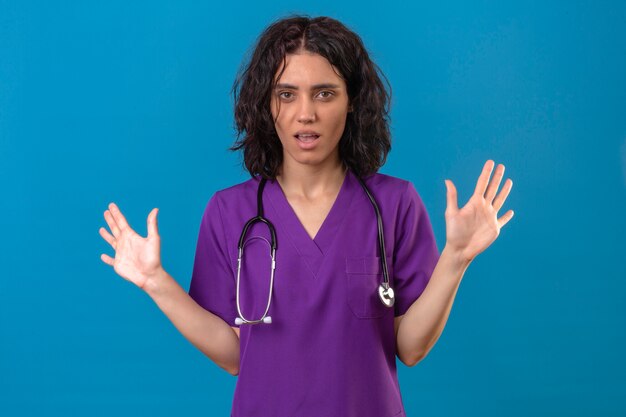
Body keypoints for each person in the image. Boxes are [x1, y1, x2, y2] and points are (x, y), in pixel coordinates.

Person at [99, 15, 515, 417]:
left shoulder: (395, 204)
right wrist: (156, 282)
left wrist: (456, 258)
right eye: (286, 94)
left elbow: (410, 347)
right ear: (266, 104)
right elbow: (233, 354)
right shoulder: (230, 212)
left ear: (352, 101)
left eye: (324, 93)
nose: (305, 114)